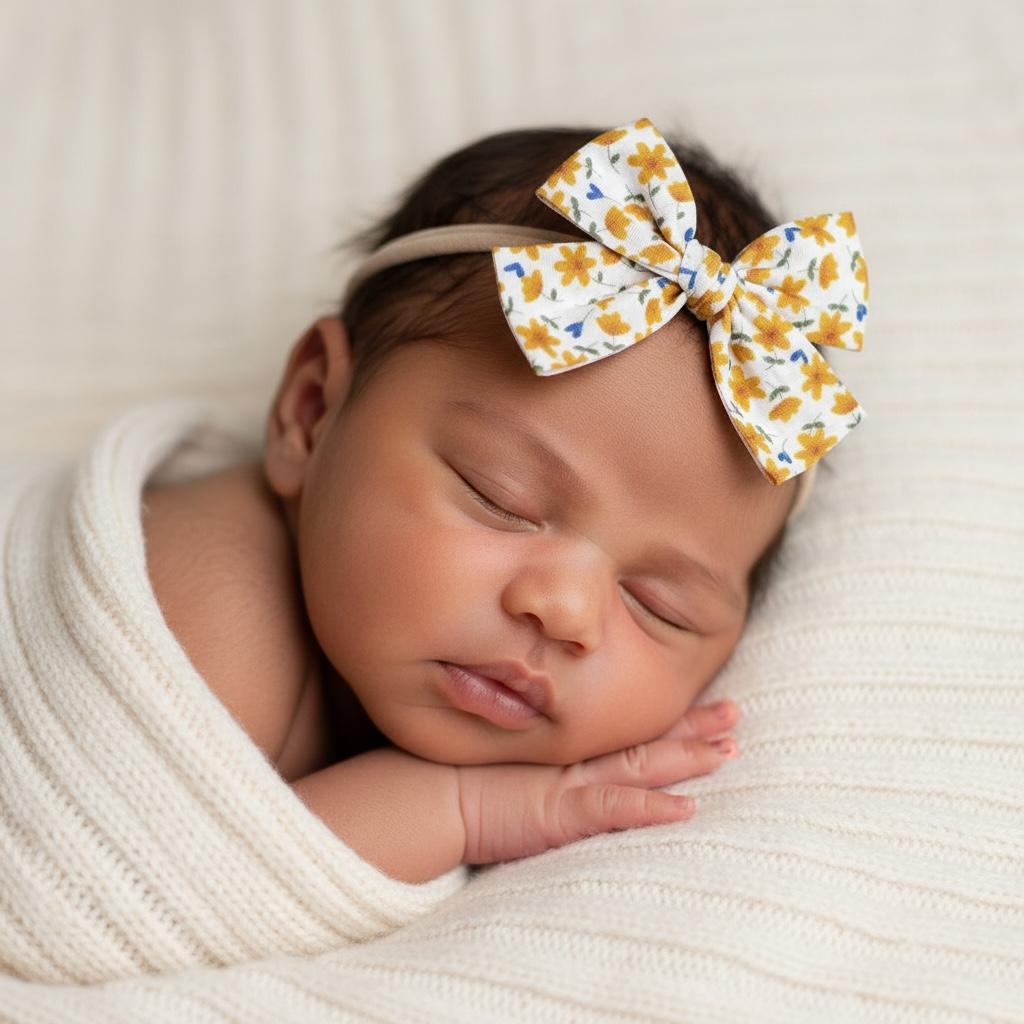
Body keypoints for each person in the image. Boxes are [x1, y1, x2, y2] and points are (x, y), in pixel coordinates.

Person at [142, 118, 868, 884]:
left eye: (661, 605)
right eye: (501, 499)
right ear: (312, 410)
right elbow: (110, 894)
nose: (566, 611)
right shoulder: (206, 605)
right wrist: (458, 810)